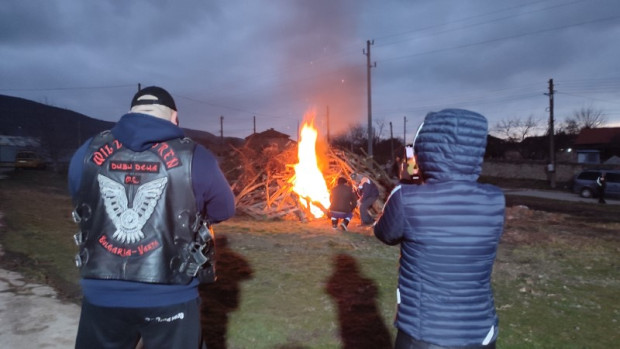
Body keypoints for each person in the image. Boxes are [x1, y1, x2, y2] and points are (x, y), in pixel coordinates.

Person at [67, 86, 236, 349]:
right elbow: (224, 209)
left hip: (101, 291)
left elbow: (81, 198)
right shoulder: (195, 156)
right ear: (174, 118)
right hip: (171, 293)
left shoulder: (87, 150)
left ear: (130, 114)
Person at [374, 109, 504, 349]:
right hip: (482, 334)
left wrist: (406, 187)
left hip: (424, 335)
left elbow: (384, 233)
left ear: (427, 149)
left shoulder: (407, 198)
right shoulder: (495, 199)